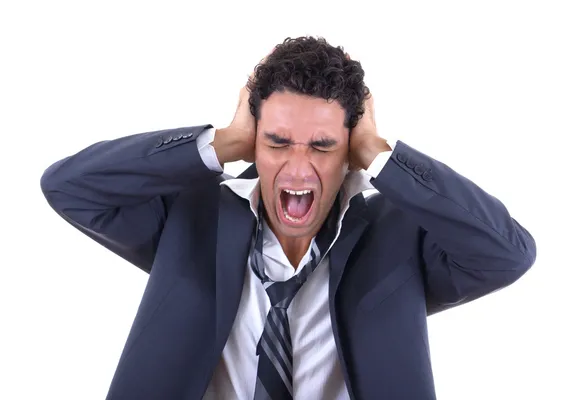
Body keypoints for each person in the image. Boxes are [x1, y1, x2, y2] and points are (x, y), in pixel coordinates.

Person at [40, 36, 536, 400]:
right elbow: (70, 188)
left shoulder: (398, 235)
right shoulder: (190, 217)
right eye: (276, 142)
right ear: (254, 138)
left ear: (349, 152)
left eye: (323, 146)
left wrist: (381, 155)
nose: (298, 168)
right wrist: (220, 143)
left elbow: (507, 252)